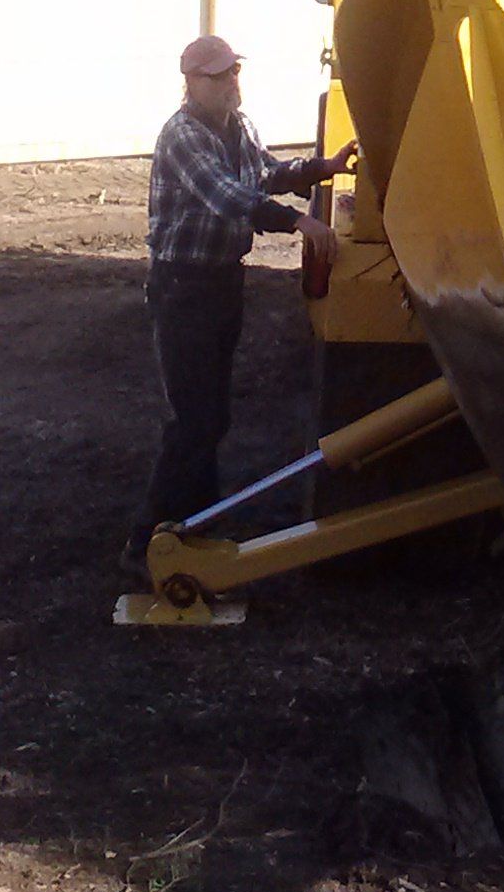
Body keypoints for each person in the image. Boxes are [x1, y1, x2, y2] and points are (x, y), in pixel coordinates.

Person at [123, 35, 355, 576]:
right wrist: (298, 220)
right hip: (183, 287)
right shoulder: (181, 136)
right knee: (193, 418)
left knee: (212, 415)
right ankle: (146, 540)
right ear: (191, 85)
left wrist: (325, 167)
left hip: (221, 283)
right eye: (218, 76)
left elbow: (264, 174)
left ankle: (196, 523)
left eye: (232, 74)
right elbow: (228, 196)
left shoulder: (239, 127)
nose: (231, 83)